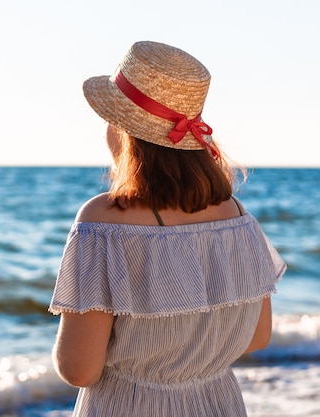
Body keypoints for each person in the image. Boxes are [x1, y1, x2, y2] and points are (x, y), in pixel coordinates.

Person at [49, 41, 286, 417]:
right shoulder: (239, 217)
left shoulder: (103, 222)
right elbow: (257, 337)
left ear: (126, 132)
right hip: (218, 403)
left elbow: (79, 369)